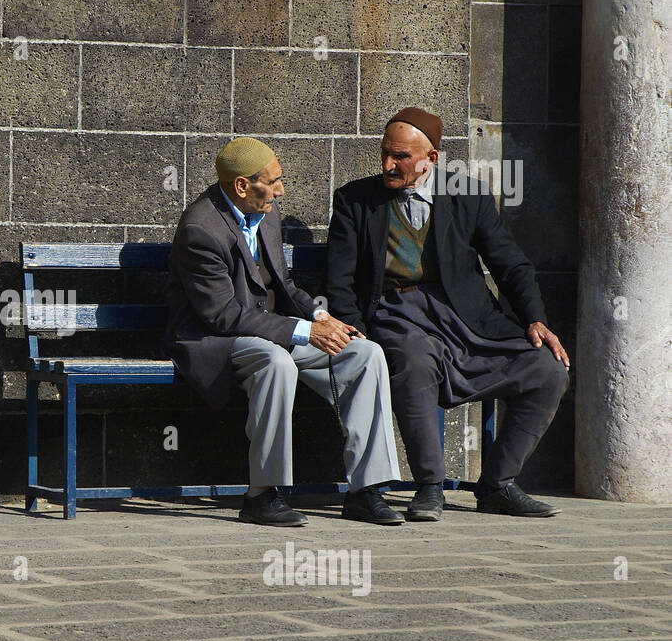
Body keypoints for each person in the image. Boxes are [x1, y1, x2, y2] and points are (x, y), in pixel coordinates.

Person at [326, 107, 570, 520]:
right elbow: (339, 280)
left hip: (466, 317)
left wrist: (535, 319)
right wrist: (354, 331)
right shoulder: (355, 200)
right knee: (413, 360)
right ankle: (429, 487)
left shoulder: (468, 196)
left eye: (400, 156)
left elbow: (510, 265)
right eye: (385, 153)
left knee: (549, 370)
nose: (388, 164)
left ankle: (497, 484)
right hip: (396, 312)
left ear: (432, 158)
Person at [164, 137, 403, 527]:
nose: (281, 190)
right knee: (276, 362)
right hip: (215, 340)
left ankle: (366, 490)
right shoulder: (200, 229)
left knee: (365, 353)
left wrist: (320, 317)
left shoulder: (265, 213)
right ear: (242, 186)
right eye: (272, 181)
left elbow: (285, 285)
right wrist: (304, 332)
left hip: (271, 330)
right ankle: (262, 495)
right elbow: (223, 316)